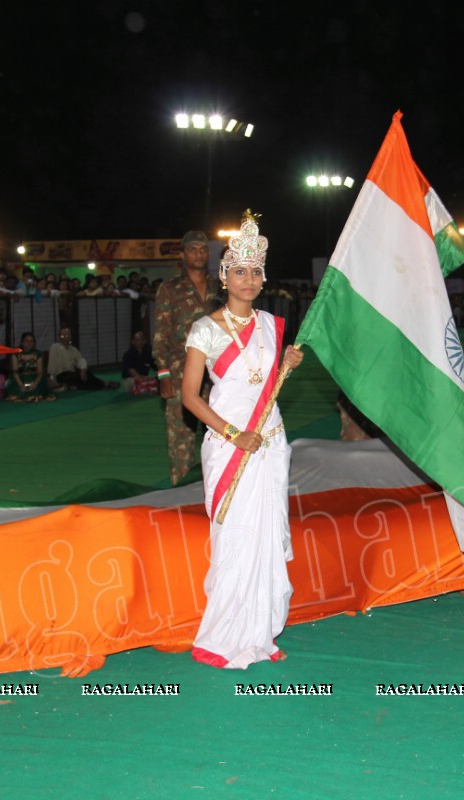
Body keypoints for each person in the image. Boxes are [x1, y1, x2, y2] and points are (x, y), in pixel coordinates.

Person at [181, 212, 303, 668]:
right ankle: (222, 636)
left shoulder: (273, 325)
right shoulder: (205, 329)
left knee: (266, 537)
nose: (248, 280)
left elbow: (262, 388)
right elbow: (190, 397)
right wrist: (234, 435)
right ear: (223, 275)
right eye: (239, 271)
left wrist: (285, 366)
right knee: (235, 537)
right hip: (230, 444)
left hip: (269, 441)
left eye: (255, 272)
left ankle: (262, 632)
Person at [153, 230, 222, 485]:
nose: (198, 254)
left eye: (203, 249)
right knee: (181, 438)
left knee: (219, 435)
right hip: (181, 372)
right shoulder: (170, 289)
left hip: (217, 374)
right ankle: (180, 495)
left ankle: (216, 489)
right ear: (183, 255)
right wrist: (163, 374)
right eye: (193, 249)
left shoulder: (220, 286)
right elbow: (161, 334)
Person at [48, 326, 114, 390]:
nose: (66, 337)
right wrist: (52, 380)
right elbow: (52, 366)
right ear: (59, 337)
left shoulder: (73, 349)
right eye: (63, 335)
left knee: (85, 374)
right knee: (83, 378)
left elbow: (80, 360)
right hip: (60, 376)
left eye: (68, 335)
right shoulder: (55, 347)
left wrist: (83, 370)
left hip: (71, 373)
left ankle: (75, 387)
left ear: (70, 337)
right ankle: (104, 383)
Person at [6, 332, 54, 402]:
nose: (29, 343)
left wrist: (35, 384)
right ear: (22, 342)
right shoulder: (15, 354)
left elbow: (40, 372)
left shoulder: (38, 354)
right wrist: (21, 385)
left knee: (37, 393)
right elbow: (15, 372)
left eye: (31, 341)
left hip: (34, 379)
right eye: (26, 341)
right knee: (18, 394)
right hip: (19, 380)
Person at [121, 330, 158, 395]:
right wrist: (142, 378)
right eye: (137, 340)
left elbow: (156, 367)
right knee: (138, 383)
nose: (140, 342)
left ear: (145, 341)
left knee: (159, 380)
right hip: (131, 380)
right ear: (133, 341)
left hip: (145, 379)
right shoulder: (128, 354)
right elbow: (131, 371)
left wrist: (162, 378)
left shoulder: (148, 353)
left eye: (142, 340)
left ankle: (146, 387)